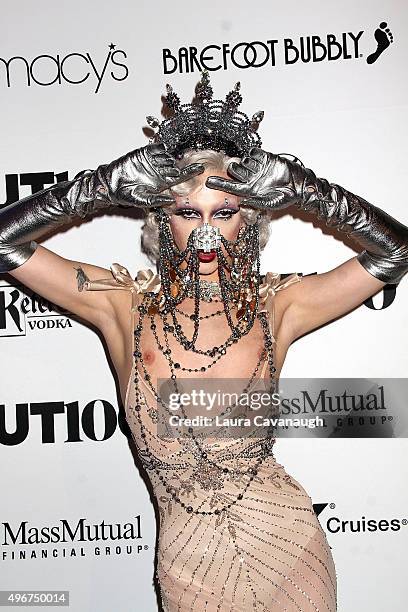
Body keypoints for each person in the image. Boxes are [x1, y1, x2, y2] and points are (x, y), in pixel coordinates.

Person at [1, 71, 408, 611]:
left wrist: (309, 192)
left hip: (288, 549)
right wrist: (96, 189)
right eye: (188, 213)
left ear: (250, 218)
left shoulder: (276, 306)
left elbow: (394, 252)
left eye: (225, 212)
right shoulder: (120, 304)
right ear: (161, 220)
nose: (207, 230)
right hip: (188, 567)